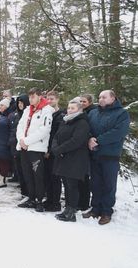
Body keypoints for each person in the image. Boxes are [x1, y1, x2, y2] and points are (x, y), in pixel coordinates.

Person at [85, 90, 130, 225]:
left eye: (104, 97)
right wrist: (89, 139)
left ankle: (106, 211)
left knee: (109, 185)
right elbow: (86, 128)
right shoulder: (93, 113)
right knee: (95, 183)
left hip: (110, 155)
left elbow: (118, 132)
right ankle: (95, 208)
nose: (101, 99)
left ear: (113, 98)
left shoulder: (121, 113)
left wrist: (97, 140)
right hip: (95, 154)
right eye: (99, 97)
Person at [51, 98, 91, 222]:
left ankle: (71, 211)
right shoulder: (65, 121)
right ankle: (67, 209)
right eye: (68, 108)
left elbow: (76, 141)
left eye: (72, 108)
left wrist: (60, 150)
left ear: (79, 110)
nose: (69, 110)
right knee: (66, 185)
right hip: (63, 158)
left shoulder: (82, 123)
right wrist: (55, 148)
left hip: (75, 159)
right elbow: (56, 137)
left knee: (72, 185)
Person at [16, 88, 54, 212]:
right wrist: (22, 140)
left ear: (39, 96)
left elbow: (44, 130)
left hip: (36, 148)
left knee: (37, 175)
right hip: (24, 147)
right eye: (30, 97)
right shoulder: (28, 109)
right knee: (27, 174)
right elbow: (20, 126)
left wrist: (27, 141)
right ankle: (31, 198)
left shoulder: (47, 110)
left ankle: (39, 200)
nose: (31, 99)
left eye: (33, 97)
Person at [44, 91, 66, 211]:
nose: (49, 101)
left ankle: (55, 202)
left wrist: (50, 150)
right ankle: (49, 199)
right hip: (45, 148)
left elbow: (57, 135)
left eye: (52, 99)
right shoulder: (47, 113)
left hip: (54, 150)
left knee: (55, 177)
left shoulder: (61, 115)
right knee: (47, 176)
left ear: (57, 99)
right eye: (48, 99)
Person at [9, 95, 29, 197]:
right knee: (19, 170)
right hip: (15, 145)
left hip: (25, 146)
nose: (20, 105)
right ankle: (23, 192)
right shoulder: (17, 115)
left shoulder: (28, 115)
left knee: (26, 172)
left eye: (22, 103)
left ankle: (28, 192)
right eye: (19, 103)